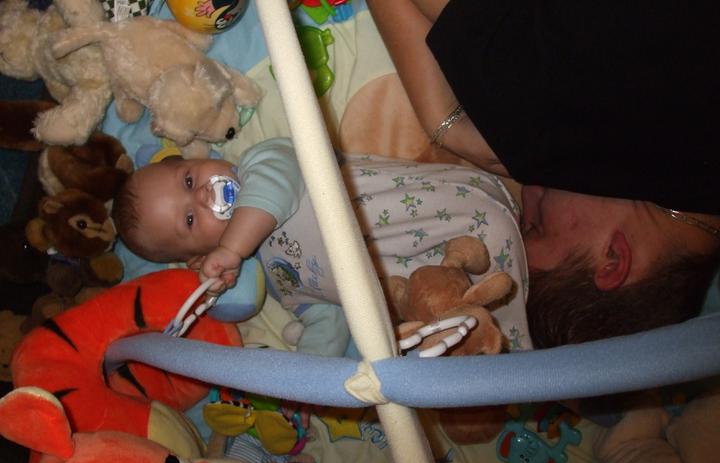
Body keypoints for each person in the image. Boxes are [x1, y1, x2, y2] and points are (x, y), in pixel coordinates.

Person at [366, 0, 720, 347]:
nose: (527, 190)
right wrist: (449, 125)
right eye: (536, 225)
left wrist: (446, 123)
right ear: (614, 260)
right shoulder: (553, 131)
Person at [112, 137, 532, 354]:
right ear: (199, 258)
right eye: (189, 219)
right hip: (441, 285)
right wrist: (308, 373)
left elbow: (272, 190)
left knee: (492, 241)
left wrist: (233, 248)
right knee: (491, 332)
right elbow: (330, 322)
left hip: (447, 216)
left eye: (189, 179)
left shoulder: (263, 161)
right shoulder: (283, 287)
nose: (203, 194)